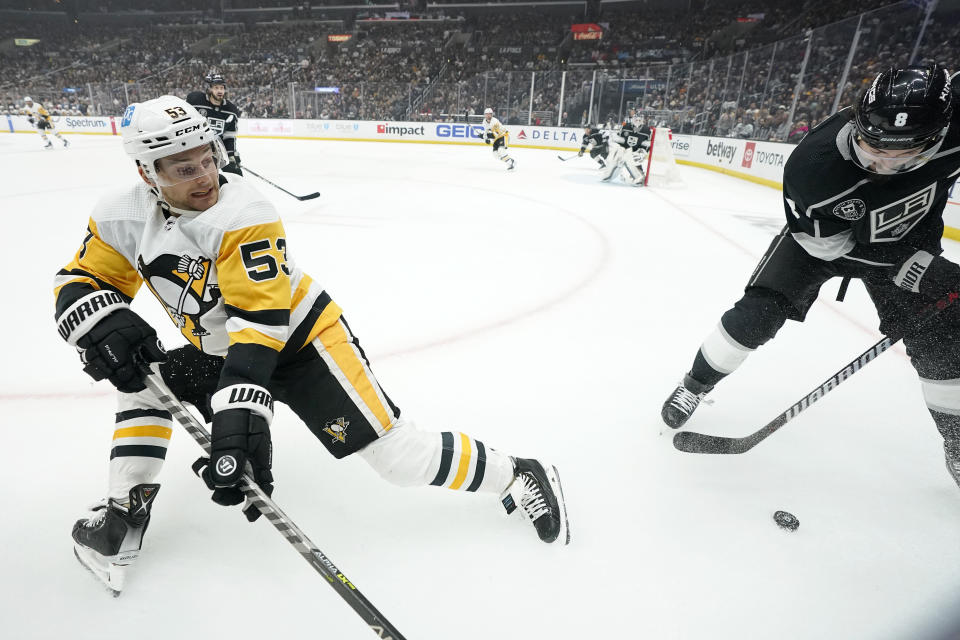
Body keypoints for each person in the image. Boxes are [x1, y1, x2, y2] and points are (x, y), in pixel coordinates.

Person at [57, 96, 569, 594]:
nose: (206, 177)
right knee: (144, 383)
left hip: (303, 343)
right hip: (224, 350)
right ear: (147, 173)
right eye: (183, 169)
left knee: (398, 459)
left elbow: (260, 326)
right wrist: (98, 320)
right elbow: (82, 277)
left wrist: (241, 418)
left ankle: (515, 474)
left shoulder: (242, 213)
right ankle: (126, 512)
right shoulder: (121, 213)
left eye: (208, 159)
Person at [661, 65, 960, 489]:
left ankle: (958, 444)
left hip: (912, 239)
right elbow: (828, 247)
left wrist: (920, 264)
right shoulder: (814, 166)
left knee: (944, 345)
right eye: (872, 147)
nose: (879, 163)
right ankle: (695, 384)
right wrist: (916, 268)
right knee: (755, 317)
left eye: (899, 157)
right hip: (823, 244)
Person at [186, 71, 242, 175]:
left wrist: (231, 154)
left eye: (222, 88)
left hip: (216, 150)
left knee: (236, 174)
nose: (220, 91)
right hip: (193, 149)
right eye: (216, 88)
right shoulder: (196, 101)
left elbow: (229, 136)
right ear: (209, 89)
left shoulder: (231, 110)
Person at [600, 120, 647, 186]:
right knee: (618, 156)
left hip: (636, 152)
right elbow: (619, 140)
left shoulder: (645, 132)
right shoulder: (625, 129)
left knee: (631, 159)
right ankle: (608, 174)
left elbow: (646, 145)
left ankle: (639, 176)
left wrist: (642, 152)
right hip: (627, 150)